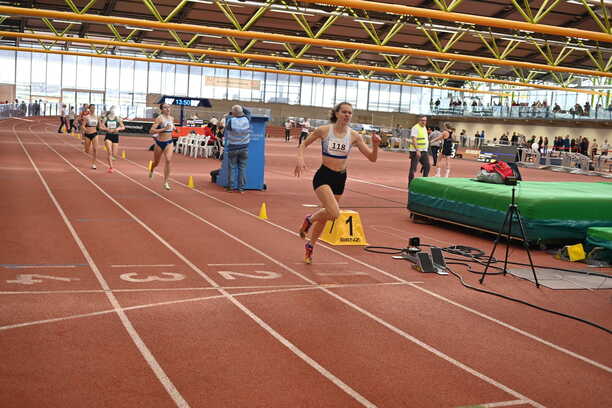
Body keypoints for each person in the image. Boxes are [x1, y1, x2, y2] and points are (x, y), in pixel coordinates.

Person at [295, 102, 380, 264]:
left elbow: (372, 158)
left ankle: (310, 245)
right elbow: (303, 144)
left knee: (327, 215)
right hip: (323, 176)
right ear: (337, 113)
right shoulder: (324, 130)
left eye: (350, 113)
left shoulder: (354, 135)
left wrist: (375, 146)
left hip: (340, 178)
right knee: (334, 213)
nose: (347, 115)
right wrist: (300, 158)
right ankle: (310, 219)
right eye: (344, 112)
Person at [224, 105, 252, 193]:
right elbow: (248, 112)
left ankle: (230, 187)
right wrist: (241, 107)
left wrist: (230, 113)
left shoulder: (231, 121)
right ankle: (241, 188)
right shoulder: (247, 119)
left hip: (233, 147)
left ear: (234, 113)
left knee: (232, 168)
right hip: (244, 148)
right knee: (242, 168)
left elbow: (227, 126)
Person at [149, 103, 175, 190]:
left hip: (169, 142)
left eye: (168, 107)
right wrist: (164, 129)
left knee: (168, 160)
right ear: (162, 109)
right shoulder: (159, 118)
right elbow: (151, 131)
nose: (168, 109)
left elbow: (171, 126)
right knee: (156, 162)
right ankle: (152, 169)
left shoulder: (171, 118)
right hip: (160, 143)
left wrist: (175, 129)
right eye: (165, 107)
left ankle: (166, 182)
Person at [99, 106, 125, 173]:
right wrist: (106, 129)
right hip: (108, 136)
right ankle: (111, 167)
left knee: (114, 155)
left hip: (115, 136)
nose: (113, 111)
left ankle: (110, 158)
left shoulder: (117, 118)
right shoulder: (106, 118)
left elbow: (123, 127)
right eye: (112, 109)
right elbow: (101, 127)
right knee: (109, 152)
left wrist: (118, 129)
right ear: (110, 110)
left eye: (114, 109)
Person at [408, 116, 430, 186]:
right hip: (415, 151)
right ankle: (410, 184)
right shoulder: (415, 128)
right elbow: (414, 139)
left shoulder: (424, 128)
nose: (424, 122)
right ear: (419, 120)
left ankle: (424, 182)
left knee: (427, 166)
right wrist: (417, 150)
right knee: (413, 168)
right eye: (422, 120)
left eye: (425, 120)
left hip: (424, 151)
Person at [80, 104, 100, 169]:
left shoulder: (97, 117)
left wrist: (107, 129)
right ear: (89, 109)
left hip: (95, 134)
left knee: (95, 149)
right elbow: (83, 126)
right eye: (92, 108)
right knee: (87, 151)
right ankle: (85, 147)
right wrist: (85, 130)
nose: (93, 109)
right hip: (88, 134)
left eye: (94, 108)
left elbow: (100, 126)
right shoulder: (86, 117)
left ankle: (94, 164)